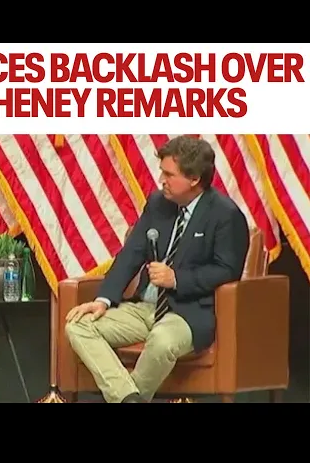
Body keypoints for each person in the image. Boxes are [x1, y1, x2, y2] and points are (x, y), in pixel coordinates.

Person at [64, 135, 249, 403]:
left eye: (169, 174)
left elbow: (227, 270)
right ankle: (128, 398)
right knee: (79, 325)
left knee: (162, 341)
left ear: (194, 178)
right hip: (144, 308)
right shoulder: (158, 203)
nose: (161, 180)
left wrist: (177, 279)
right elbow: (131, 254)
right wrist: (103, 300)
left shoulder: (225, 215)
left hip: (188, 312)